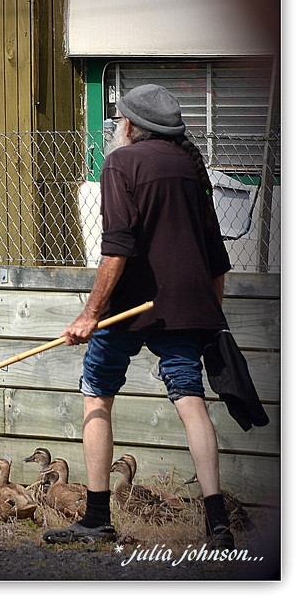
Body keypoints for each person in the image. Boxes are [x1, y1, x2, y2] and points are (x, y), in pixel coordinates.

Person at [42, 84, 235, 549]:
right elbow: (215, 251)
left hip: (126, 310)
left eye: (117, 121)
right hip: (186, 308)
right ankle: (216, 522)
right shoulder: (191, 166)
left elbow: (117, 247)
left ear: (129, 125)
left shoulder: (121, 163)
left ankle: (96, 517)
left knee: (97, 395)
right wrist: (215, 317)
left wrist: (89, 315)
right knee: (190, 399)